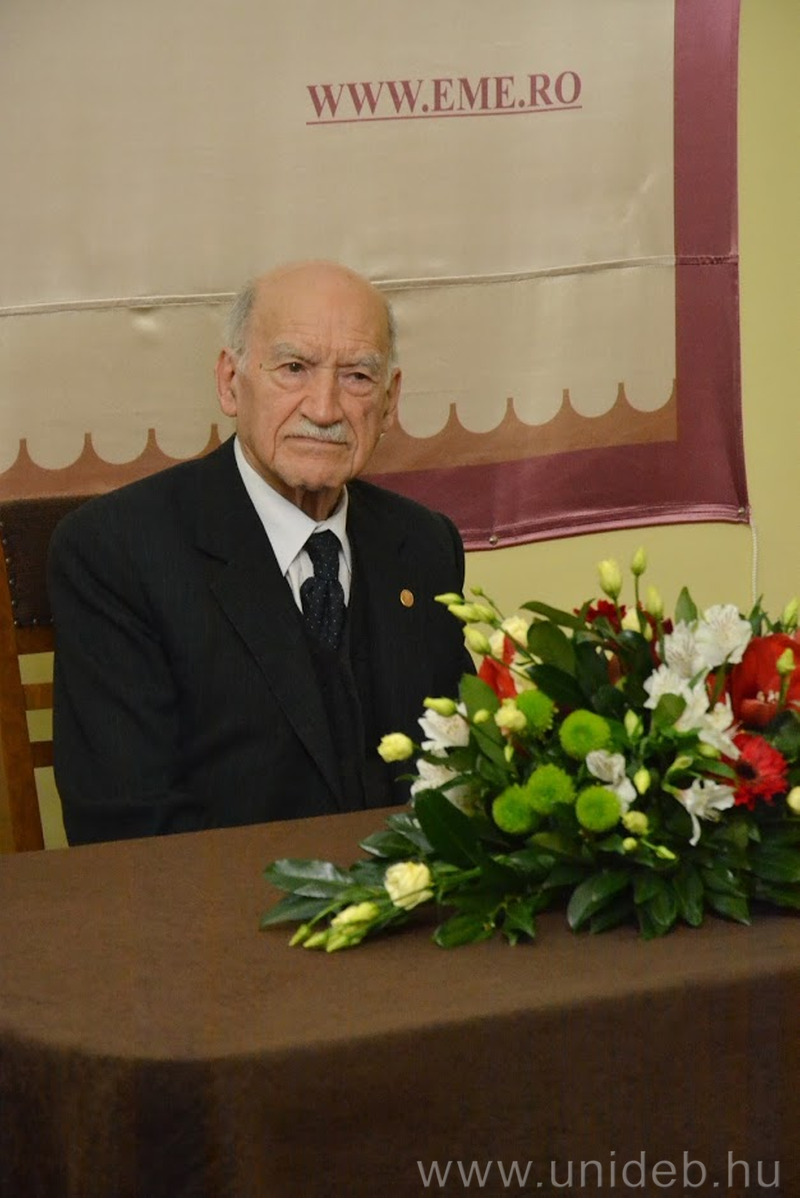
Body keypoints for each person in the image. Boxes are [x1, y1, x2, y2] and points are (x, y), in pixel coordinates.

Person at [48, 261, 471, 844]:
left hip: (410, 892)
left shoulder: (424, 544)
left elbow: (461, 771)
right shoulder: (116, 551)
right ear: (230, 382)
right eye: (294, 369)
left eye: (357, 377)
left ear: (390, 399)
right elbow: (126, 829)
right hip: (219, 897)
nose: (324, 409)